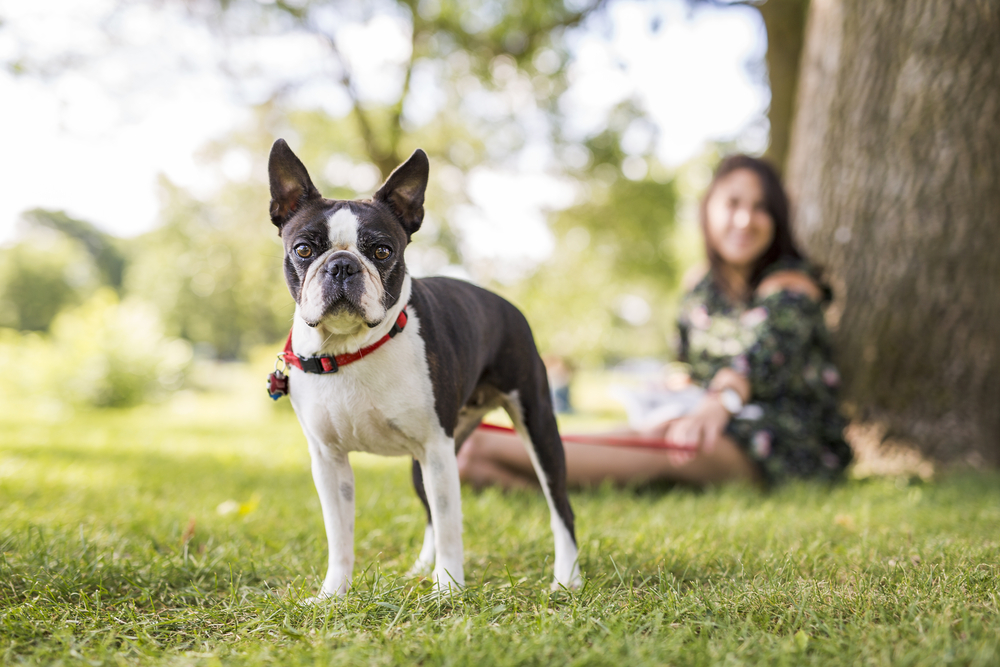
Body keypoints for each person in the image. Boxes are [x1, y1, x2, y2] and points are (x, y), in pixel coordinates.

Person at [457, 154, 852, 490]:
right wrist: (678, 383)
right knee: (649, 435)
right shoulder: (699, 288)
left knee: (669, 440)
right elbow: (690, 364)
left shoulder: (793, 286)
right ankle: (488, 462)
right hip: (709, 421)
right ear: (708, 209)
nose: (746, 219)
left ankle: (490, 448)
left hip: (783, 442)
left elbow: (760, 357)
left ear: (777, 218)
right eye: (733, 203)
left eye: (761, 207)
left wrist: (720, 401)